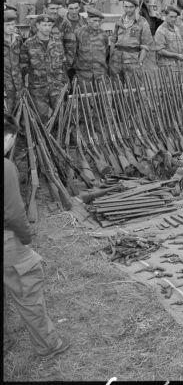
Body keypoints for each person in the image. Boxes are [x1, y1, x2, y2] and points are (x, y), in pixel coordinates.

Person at [4, 114, 71, 357]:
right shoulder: (6, 167)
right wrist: (26, 238)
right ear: (10, 137)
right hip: (7, 241)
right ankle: (48, 345)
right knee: (28, 291)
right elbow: (13, 213)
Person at [20, 14, 68, 122]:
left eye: (49, 25)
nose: (47, 28)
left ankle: (59, 137)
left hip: (56, 86)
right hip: (38, 88)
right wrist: (27, 84)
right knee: (41, 118)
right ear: (37, 26)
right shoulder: (28, 44)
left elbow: (63, 63)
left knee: (61, 116)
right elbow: (24, 66)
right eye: (44, 25)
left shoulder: (57, 42)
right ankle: (43, 137)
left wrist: (65, 82)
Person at [109, 0, 153, 79]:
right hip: (116, 61)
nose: (128, 10)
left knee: (133, 89)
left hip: (132, 62)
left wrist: (139, 63)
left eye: (131, 7)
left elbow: (145, 46)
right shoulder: (119, 21)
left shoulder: (142, 23)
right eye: (126, 7)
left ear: (136, 7)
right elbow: (114, 40)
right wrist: (111, 58)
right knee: (117, 89)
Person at [73, 7, 110, 90]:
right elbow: (74, 52)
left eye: (99, 21)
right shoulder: (79, 33)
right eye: (94, 21)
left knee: (102, 99)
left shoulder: (103, 35)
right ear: (88, 19)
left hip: (100, 73)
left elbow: (106, 52)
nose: (97, 23)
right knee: (86, 100)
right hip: (84, 74)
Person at [60, 0, 87, 79]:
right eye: (71, 8)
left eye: (76, 8)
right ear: (66, 8)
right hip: (65, 63)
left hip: (81, 62)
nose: (74, 11)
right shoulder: (60, 23)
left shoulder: (86, 22)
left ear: (80, 7)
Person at [154, 5, 183, 72]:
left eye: (175, 17)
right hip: (167, 68)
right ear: (165, 16)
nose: (173, 19)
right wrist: (176, 55)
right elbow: (160, 51)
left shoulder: (176, 29)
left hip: (179, 66)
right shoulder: (161, 30)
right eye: (171, 17)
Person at [4, 7, 23, 114]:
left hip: (17, 84)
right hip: (5, 87)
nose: (11, 27)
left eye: (13, 24)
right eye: (8, 25)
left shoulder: (18, 39)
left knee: (18, 113)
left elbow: (22, 60)